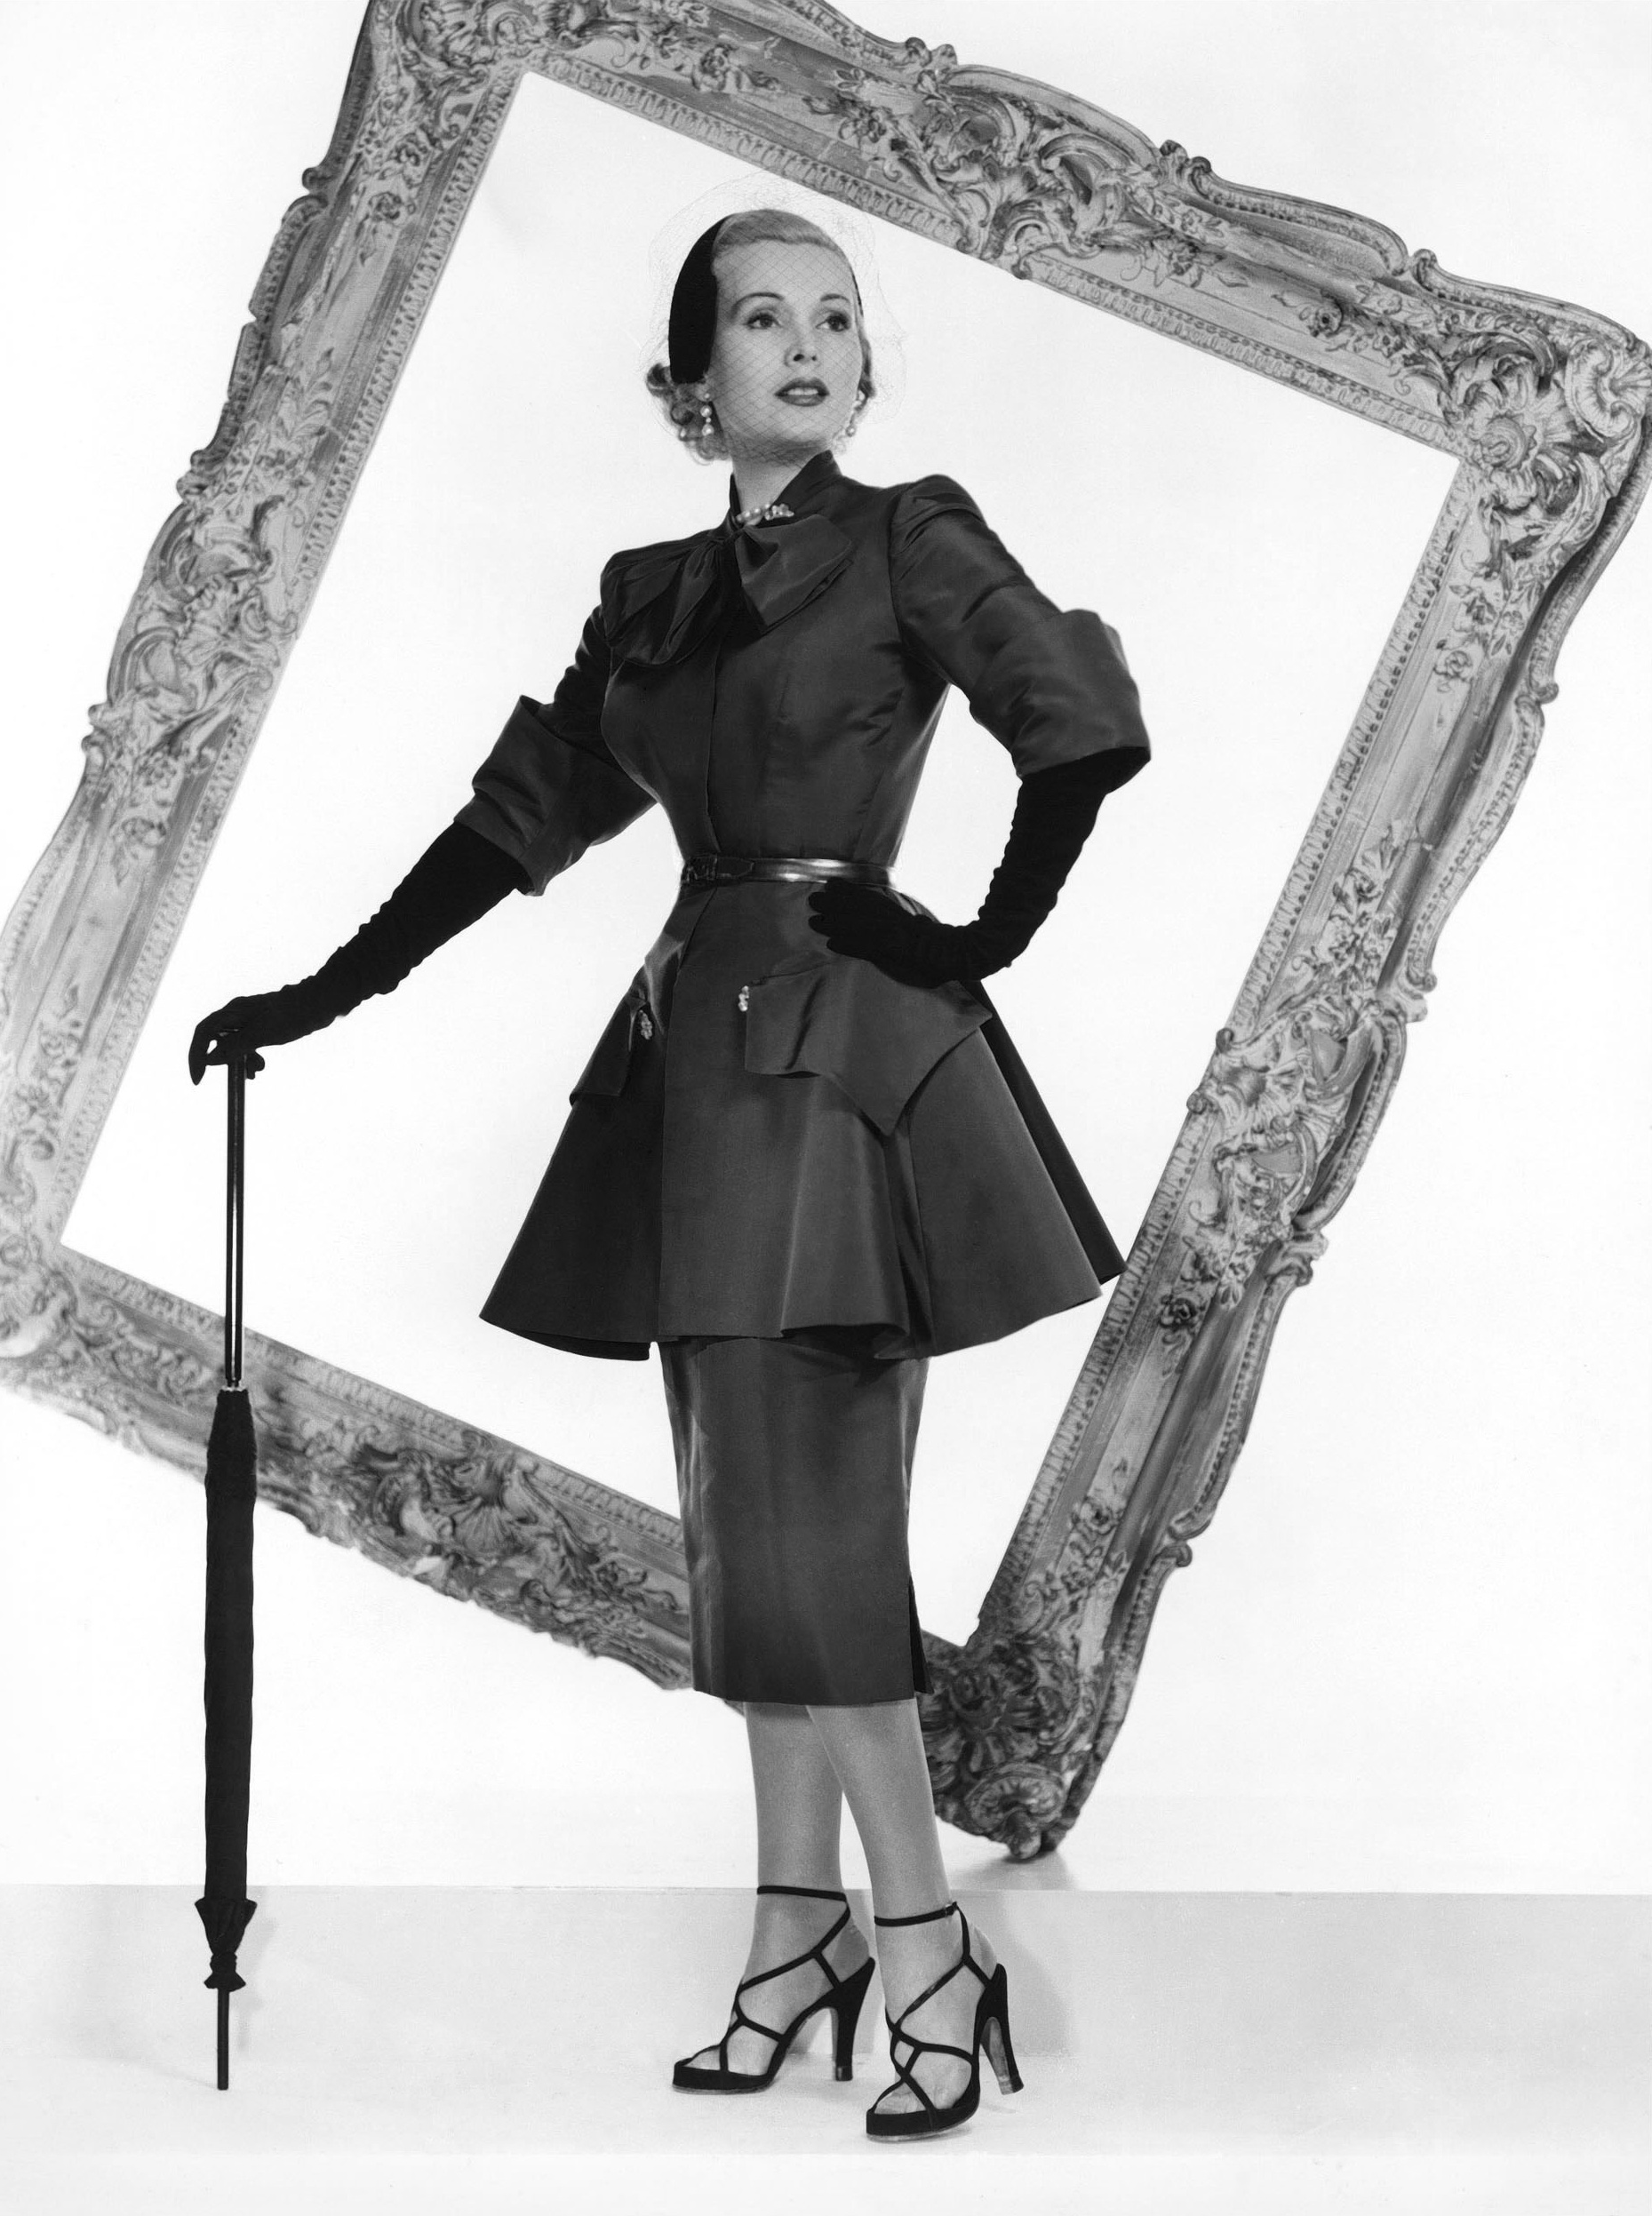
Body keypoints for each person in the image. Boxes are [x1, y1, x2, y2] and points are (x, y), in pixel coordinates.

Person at [188, 205, 1149, 2140]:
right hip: (690, 1080)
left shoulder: (910, 534)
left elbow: (1079, 723)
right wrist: (319, 992)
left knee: (819, 1533)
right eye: (762, 317)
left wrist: (981, 938)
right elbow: (516, 823)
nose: (808, 345)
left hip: (844, 1075)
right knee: (743, 1529)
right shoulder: (649, 593)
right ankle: (795, 1935)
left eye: (837, 318)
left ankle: (924, 1945)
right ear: (692, 377)